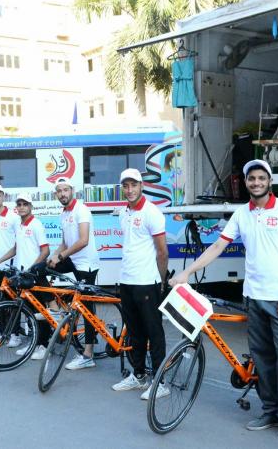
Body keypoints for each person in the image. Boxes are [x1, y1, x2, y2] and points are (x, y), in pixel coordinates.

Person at [170, 159, 278, 440]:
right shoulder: (242, 214)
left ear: (270, 181)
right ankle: (269, 410)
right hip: (253, 297)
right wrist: (187, 272)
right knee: (263, 358)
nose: (256, 182)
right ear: (246, 183)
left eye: (261, 178)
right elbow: (218, 245)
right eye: (251, 178)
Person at [112, 168, 169, 400]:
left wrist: (161, 282)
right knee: (134, 332)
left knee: (154, 332)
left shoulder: (152, 212)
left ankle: (160, 381)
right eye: (125, 186)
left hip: (148, 282)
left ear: (141, 185)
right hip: (127, 281)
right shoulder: (123, 213)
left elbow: (162, 252)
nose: (129, 190)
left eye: (133, 185)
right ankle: (138, 375)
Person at [46, 177, 100, 371]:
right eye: (59, 191)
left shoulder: (81, 210)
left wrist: (61, 256)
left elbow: (83, 240)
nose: (63, 194)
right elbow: (65, 243)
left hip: (86, 263)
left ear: (72, 191)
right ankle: (58, 311)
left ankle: (88, 354)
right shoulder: (63, 214)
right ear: (56, 194)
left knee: (87, 309)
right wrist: (54, 256)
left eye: (65, 190)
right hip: (72, 258)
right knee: (41, 271)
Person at [0, 193, 50, 360]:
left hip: (34, 275)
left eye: (25, 204)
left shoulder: (36, 225)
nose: (22, 207)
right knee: (29, 311)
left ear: (31, 206)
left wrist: (33, 268)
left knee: (40, 312)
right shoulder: (19, 225)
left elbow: (46, 251)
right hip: (22, 275)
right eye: (20, 204)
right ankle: (35, 343)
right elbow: (16, 248)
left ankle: (43, 345)